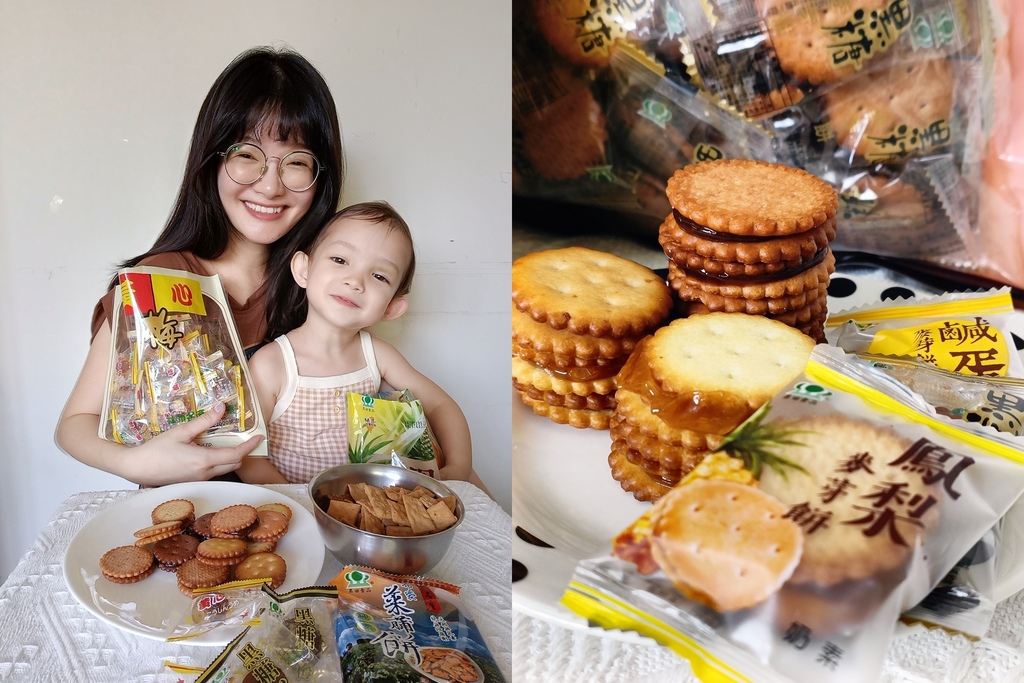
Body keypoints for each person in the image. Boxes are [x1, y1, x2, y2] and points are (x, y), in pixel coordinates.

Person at [55, 46, 345, 486]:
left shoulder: (321, 284)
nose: (270, 185)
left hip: (296, 518)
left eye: (297, 162)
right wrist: (135, 463)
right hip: (182, 525)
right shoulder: (158, 280)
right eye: (247, 154)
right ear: (213, 159)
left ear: (320, 179)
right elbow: (75, 423)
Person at [238, 201, 488, 492]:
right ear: (303, 270)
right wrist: (303, 506)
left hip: (369, 511)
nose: (355, 281)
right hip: (296, 509)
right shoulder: (272, 364)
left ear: (391, 308)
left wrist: (458, 469)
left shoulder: (378, 356)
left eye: (379, 276)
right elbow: (249, 456)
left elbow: (441, 405)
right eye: (340, 260)